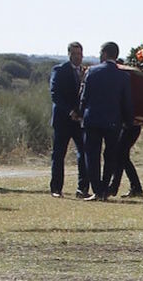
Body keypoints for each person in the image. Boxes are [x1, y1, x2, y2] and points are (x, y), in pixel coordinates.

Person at [78, 41, 133, 201]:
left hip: (92, 119)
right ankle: (104, 188)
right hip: (113, 121)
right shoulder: (123, 76)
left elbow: (84, 96)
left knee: (92, 155)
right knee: (110, 156)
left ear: (104, 54)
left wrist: (81, 114)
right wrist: (128, 120)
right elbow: (126, 101)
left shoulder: (91, 72)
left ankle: (97, 189)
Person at [49, 41, 90, 198]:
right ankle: (56, 188)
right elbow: (55, 94)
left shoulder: (85, 72)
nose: (77, 57)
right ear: (69, 54)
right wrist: (69, 111)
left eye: (80, 54)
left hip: (80, 121)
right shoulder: (59, 70)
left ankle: (83, 188)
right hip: (63, 120)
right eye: (74, 54)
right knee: (59, 154)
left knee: (83, 153)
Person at [109, 123, 143, 197]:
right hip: (129, 125)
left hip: (130, 126)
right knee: (123, 157)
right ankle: (136, 188)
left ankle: (114, 186)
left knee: (120, 155)